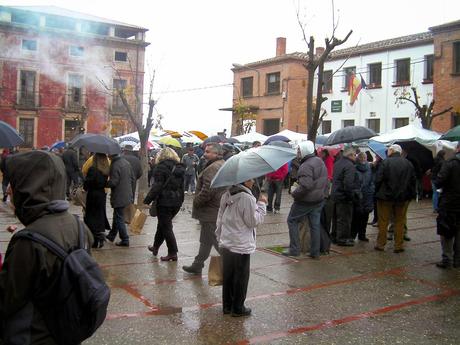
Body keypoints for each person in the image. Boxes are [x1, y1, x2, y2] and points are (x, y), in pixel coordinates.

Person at [0, 150, 93, 343]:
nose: (9, 190)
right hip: (65, 331)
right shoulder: (78, 225)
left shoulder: (28, 242)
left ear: (29, 186)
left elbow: (7, 301)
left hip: (33, 336)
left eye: (15, 182)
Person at [216, 179, 267, 317]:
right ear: (245, 181)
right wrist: (261, 204)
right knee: (241, 276)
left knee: (228, 275)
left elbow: (220, 217)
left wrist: (219, 235)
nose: (253, 181)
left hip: (227, 242)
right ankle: (238, 307)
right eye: (251, 179)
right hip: (241, 244)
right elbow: (253, 221)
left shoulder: (226, 194)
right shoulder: (247, 198)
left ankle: (227, 306)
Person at [183, 143, 226, 274]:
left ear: (217, 154)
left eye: (208, 152)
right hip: (213, 209)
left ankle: (231, 264)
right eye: (205, 151)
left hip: (210, 210)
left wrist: (197, 201)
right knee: (206, 241)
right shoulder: (217, 164)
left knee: (215, 241)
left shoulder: (213, 167)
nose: (205, 154)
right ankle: (198, 264)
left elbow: (208, 189)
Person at [284, 141, 328, 258]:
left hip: (306, 201)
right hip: (318, 200)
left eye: (299, 150)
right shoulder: (319, 161)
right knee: (315, 225)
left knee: (291, 220)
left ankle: (294, 249)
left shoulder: (306, 165)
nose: (297, 153)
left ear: (304, 151)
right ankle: (315, 252)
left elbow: (306, 185)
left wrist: (294, 192)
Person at [144, 148, 185, 261]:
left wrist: (147, 200)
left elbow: (157, 186)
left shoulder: (160, 167)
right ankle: (155, 247)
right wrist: (181, 200)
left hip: (165, 201)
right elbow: (182, 187)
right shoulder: (180, 167)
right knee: (162, 225)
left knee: (166, 227)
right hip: (176, 201)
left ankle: (173, 252)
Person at [374, 144, 415, 253]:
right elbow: (412, 181)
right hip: (402, 197)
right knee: (400, 221)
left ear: (391, 151)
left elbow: (378, 179)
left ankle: (381, 244)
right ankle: (398, 245)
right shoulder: (408, 163)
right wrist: (410, 195)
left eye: (388, 150)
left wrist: (376, 191)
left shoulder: (385, 162)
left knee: (383, 221)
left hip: (385, 197)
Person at [433, 143, 460, 268]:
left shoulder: (450, 163)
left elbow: (439, 182)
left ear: (457, 148)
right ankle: (457, 260)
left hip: (449, 203)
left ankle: (447, 259)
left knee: (446, 232)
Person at [331, 147, 359, 246]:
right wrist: (351, 196)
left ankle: (334, 236)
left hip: (335, 194)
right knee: (344, 219)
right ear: (350, 155)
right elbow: (348, 183)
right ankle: (342, 239)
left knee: (336, 218)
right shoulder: (349, 166)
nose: (356, 157)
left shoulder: (338, 163)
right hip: (344, 196)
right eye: (355, 155)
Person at [106, 154, 135, 247]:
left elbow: (114, 182)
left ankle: (125, 238)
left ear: (111, 155)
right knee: (117, 215)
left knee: (119, 217)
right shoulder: (126, 163)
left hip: (119, 194)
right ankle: (112, 235)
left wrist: (104, 183)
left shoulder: (115, 165)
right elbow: (133, 178)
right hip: (127, 193)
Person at [83, 153, 111, 248]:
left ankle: (94, 239)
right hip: (101, 194)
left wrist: (85, 185)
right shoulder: (106, 171)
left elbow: (87, 184)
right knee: (99, 216)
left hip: (93, 195)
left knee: (91, 217)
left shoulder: (92, 170)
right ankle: (100, 235)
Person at [350, 152, 374, 242]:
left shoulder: (369, 168)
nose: (364, 159)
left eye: (365, 157)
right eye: (362, 157)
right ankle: (352, 235)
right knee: (356, 217)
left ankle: (362, 235)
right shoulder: (354, 168)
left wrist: (371, 190)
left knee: (365, 217)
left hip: (367, 195)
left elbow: (371, 181)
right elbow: (353, 183)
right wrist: (356, 192)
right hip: (358, 196)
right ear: (358, 158)